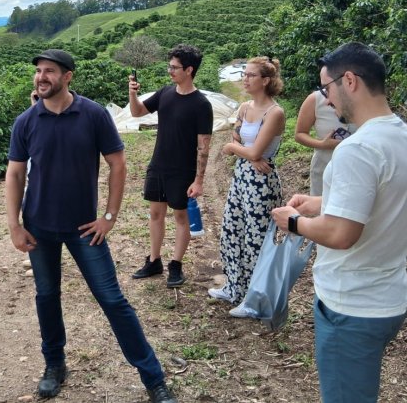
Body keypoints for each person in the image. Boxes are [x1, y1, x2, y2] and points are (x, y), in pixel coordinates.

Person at [5, 49, 177, 403]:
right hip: (39, 227)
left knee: (112, 300)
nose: (41, 77)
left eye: (49, 71)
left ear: (67, 76)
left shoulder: (94, 114)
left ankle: (153, 379)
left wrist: (109, 217)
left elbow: (118, 164)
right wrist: (14, 225)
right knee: (46, 297)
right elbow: (16, 173)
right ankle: (55, 365)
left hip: (84, 228)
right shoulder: (26, 121)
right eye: (38, 71)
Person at [271, 42, 407, 403]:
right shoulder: (404, 136)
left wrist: (293, 222)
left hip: (352, 305)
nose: (326, 100)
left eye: (326, 88)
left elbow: (341, 234)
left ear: (350, 81)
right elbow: (383, 198)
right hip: (388, 296)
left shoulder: (356, 149)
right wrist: (320, 203)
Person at [128, 44, 213, 288]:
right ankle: (154, 261)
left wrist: (198, 180)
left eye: (175, 67)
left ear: (189, 70)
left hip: (182, 170)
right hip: (158, 165)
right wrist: (133, 94)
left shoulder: (201, 104)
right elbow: (137, 112)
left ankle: (176, 264)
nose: (170, 71)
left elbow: (203, 146)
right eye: (170, 66)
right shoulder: (165, 93)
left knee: (180, 216)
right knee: (155, 214)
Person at [209, 56, 285, 316]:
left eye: (251, 75)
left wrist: (240, 150)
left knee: (256, 239)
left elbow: (241, 148)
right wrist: (248, 153)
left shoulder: (274, 113)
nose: (245, 79)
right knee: (232, 230)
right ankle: (234, 287)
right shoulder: (244, 108)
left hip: (261, 182)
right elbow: (240, 143)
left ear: (265, 80)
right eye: (245, 74)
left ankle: (255, 300)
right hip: (242, 176)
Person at [294, 90, 355, 196]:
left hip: (356, 170)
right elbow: (299, 134)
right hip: (323, 167)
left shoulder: (362, 97)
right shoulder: (315, 99)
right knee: (322, 204)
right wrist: (322, 144)